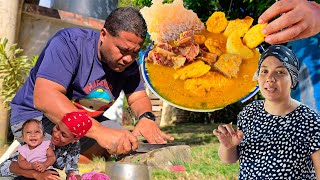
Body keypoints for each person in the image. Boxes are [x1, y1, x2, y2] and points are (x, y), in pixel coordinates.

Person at [9, 6, 174, 159]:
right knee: (65, 162)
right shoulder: (69, 44)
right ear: (103, 35)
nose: (128, 59)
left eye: (135, 52)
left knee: (126, 144)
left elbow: (137, 98)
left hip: (88, 122)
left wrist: (146, 118)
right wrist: (100, 133)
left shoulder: (129, 61)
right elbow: (45, 98)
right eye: (123, 50)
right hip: (36, 118)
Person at [213, 45, 320, 179]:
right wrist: (228, 146)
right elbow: (229, 159)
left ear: (293, 80)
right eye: (264, 71)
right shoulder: (249, 112)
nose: (270, 78)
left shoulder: (309, 120)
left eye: (280, 72)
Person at [0, 112, 85, 179]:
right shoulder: (41, 137)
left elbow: (71, 168)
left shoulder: (74, 144)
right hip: (16, 175)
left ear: (75, 139)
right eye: (57, 128)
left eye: (63, 135)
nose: (56, 135)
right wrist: (36, 174)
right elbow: (10, 166)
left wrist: (73, 176)